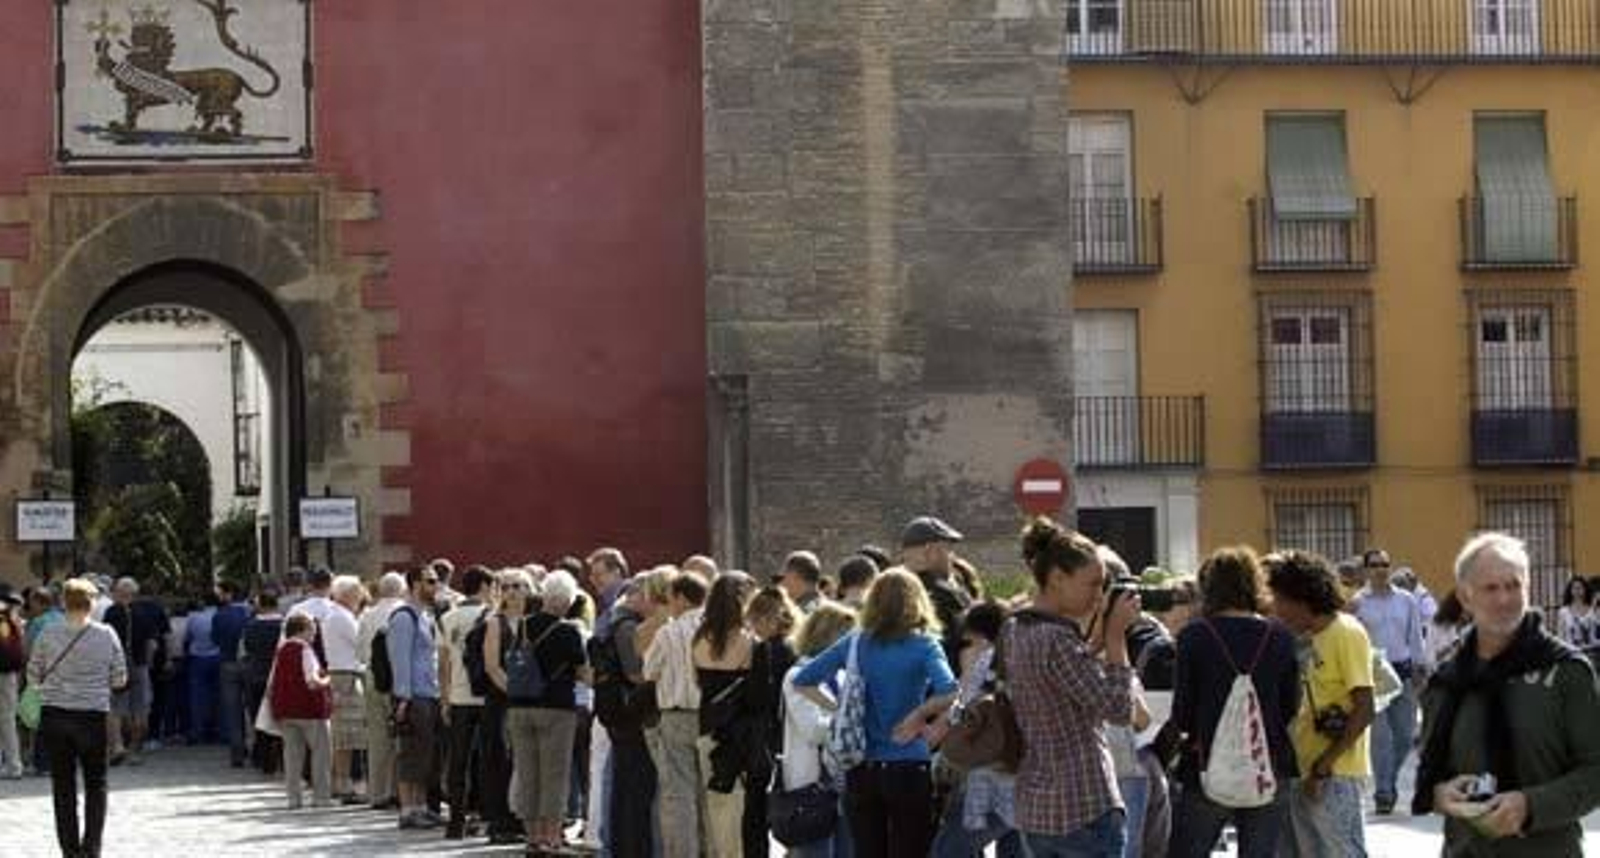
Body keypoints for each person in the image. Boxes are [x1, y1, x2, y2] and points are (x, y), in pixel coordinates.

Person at [1415, 532, 1600, 856]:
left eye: (1514, 585)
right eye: (1491, 588)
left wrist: (1530, 805)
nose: (1504, 599)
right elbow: (1431, 767)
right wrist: (1440, 794)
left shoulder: (1567, 671)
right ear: (1465, 596)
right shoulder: (1446, 680)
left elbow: (1595, 771)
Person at [794, 568, 959, 858]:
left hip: (862, 766)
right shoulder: (924, 645)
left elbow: (803, 680)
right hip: (909, 764)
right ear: (917, 601)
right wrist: (918, 715)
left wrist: (838, 709)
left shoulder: (857, 642)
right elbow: (950, 690)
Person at [1000, 520, 1136, 857]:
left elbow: (1058, 681)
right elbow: (1119, 710)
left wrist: (1096, 641)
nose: (1099, 595)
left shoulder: (1016, 627)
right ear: (1057, 578)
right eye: (1092, 584)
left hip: (1037, 807)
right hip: (1084, 804)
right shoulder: (1057, 639)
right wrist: (1117, 639)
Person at [1169, 546, 1299, 858]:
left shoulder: (1194, 636)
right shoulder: (1280, 636)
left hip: (1206, 762)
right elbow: (1290, 705)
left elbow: (1183, 713)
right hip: (1268, 762)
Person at [1265, 551, 1375, 858]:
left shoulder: (1346, 632)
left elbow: (1364, 708)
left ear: (1302, 598)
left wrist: (1323, 767)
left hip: (1334, 772)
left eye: (1281, 600)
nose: (1278, 609)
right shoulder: (1306, 637)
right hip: (1305, 768)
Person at [28, 578, 128, 858]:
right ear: (92, 603)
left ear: (64, 602)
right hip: (92, 716)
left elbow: (34, 674)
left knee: (63, 785)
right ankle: (91, 848)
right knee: (97, 784)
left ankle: (69, 850)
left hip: (56, 715)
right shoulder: (106, 634)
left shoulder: (48, 633)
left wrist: (54, 685)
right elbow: (120, 679)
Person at [506, 570, 590, 853]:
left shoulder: (524, 625)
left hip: (520, 706)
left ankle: (531, 836)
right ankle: (551, 836)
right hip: (556, 708)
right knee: (554, 774)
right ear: (565, 600)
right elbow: (582, 672)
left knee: (528, 772)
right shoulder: (569, 631)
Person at [930, 600, 1021, 858]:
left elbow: (960, 713)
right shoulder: (1026, 659)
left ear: (980, 637)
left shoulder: (988, 661)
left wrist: (969, 672)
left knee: (947, 851)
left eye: (967, 641)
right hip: (1028, 779)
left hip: (988, 779)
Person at [1349, 548, 1425, 815]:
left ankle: (1388, 780)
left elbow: (1415, 635)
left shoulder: (1406, 601)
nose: (1381, 569)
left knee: (1404, 735)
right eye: (1375, 564)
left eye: (1385, 564)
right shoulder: (1358, 603)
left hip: (1403, 671)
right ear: (1366, 570)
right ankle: (1383, 792)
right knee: (1380, 738)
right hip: (1374, 675)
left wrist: (1420, 667)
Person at [780, 602, 857, 858]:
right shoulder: (797, 675)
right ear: (827, 637)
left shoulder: (845, 676)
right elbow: (812, 729)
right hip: (812, 784)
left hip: (845, 785)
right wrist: (851, 726)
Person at [644, 568, 711, 858]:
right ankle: (711, 849)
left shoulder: (668, 632)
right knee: (710, 792)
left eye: (671, 597)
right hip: (709, 716)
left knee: (679, 794)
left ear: (682, 598)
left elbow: (649, 671)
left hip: (674, 715)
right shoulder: (715, 629)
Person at [693, 572, 760, 858]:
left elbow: (697, 681)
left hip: (707, 727)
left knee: (714, 805)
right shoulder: (749, 641)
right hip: (740, 732)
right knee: (740, 809)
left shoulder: (699, 638)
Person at [386, 564, 444, 830]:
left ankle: (420, 807)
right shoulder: (403, 617)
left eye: (436, 581)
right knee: (409, 754)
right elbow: (399, 660)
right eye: (430, 581)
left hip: (428, 694)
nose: (436, 586)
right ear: (415, 584)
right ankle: (407, 809)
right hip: (412, 696)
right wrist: (403, 699)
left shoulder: (424, 616)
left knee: (424, 754)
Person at [744, 585, 800, 856]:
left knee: (755, 812)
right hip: (792, 736)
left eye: (754, 621)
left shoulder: (763, 651)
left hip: (765, 737)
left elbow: (755, 697)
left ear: (765, 619)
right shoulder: (796, 648)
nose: (752, 628)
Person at [438, 565, 492, 840]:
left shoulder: (448, 617)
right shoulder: (492, 616)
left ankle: (456, 820)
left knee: (458, 761)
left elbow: (444, 662)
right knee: (488, 759)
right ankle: (485, 815)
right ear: (484, 586)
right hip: (487, 696)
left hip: (459, 695)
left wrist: (445, 699)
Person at [481, 568, 534, 844]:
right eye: (507, 587)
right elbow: (492, 666)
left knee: (524, 762)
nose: (512, 591)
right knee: (501, 761)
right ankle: (501, 822)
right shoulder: (495, 623)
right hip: (501, 701)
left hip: (531, 702)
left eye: (518, 586)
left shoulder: (533, 621)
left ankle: (524, 818)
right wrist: (516, 692)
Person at [271, 613, 333, 809]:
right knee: (320, 753)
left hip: (285, 710)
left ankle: (293, 799)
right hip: (310, 710)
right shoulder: (305, 650)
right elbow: (312, 682)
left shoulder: (281, 650)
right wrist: (328, 680)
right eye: (312, 630)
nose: (314, 635)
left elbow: (272, 682)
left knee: (292, 756)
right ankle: (321, 797)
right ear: (303, 630)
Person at [357, 571, 408, 809]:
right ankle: (400, 792)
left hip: (371, 677)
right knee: (401, 737)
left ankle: (377, 792)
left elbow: (358, 651)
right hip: (398, 681)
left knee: (377, 739)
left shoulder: (368, 615)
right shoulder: (405, 613)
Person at [101, 578, 161, 767]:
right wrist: (148, 663)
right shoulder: (145, 613)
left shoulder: (111, 612)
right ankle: (134, 750)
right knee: (141, 709)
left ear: (118, 593)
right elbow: (152, 643)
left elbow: (106, 640)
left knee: (115, 708)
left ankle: (118, 745)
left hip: (117, 665)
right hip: (139, 664)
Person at [900, 515, 972, 667]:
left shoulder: (888, 589)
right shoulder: (946, 593)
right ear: (929, 551)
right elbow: (972, 637)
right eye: (948, 549)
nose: (951, 557)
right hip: (945, 680)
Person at [320, 575, 366, 801]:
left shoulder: (335, 615)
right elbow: (361, 643)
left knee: (343, 735)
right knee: (346, 736)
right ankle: (343, 784)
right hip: (346, 675)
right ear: (348, 594)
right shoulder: (343, 617)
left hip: (340, 673)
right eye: (358, 592)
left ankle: (340, 782)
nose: (361, 596)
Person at [239, 588, 286, 775]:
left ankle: (263, 758)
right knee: (282, 717)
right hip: (278, 676)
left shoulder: (251, 626)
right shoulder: (284, 625)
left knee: (259, 718)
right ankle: (281, 757)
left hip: (256, 675)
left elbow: (247, 649)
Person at [211, 581, 252, 768]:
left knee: (233, 708)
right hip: (249, 663)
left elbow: (215, 639)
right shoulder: (248, 613)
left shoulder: (219, 615)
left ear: (229, 594)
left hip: (227, 663)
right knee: (252, 707)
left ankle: (237, 750)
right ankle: (256, 747)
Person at [183, 593, 221, 745]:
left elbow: (187, 638)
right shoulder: (219, 616)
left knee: (198, 697)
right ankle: (217, 730)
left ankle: (198, 731)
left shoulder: (194, 618)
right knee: (218, 695)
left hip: (198, 658)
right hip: (217, 656)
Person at [0, 586, 24, 779]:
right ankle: (13, 764)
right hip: (10, 673)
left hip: (2, 673)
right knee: (7, 719)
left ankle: (13, 765)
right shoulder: (13, 617)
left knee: (5, 720)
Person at [1556, 577, 1595, 648]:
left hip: (1591, 651)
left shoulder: (1592, 610)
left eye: (1580, 588)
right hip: (1570, 651)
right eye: (1574, 588)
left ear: (1585, 589)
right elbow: (1560, 635)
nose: (1577, 590)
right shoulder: (1564, 612)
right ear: (1570, 591)